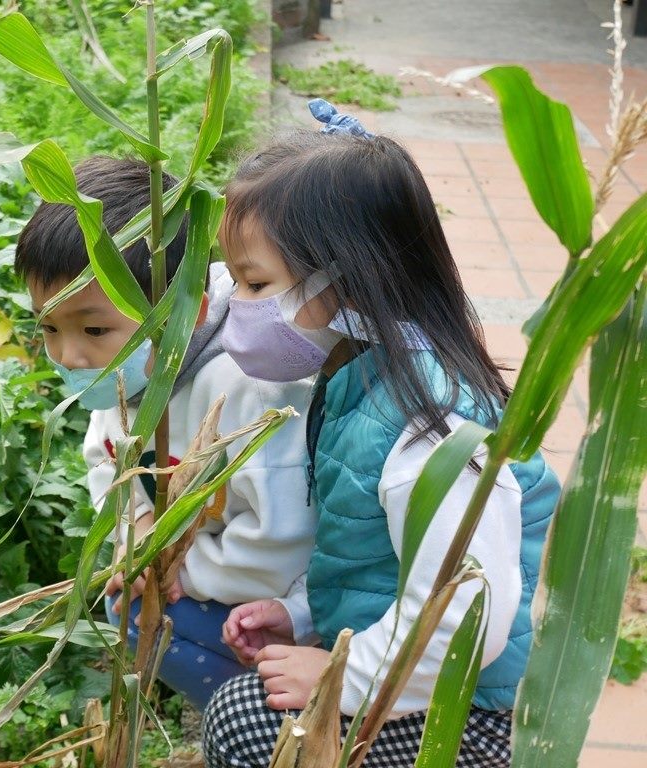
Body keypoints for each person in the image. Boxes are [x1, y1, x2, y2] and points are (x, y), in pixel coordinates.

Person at [201, 101, 560, 767]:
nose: (234, 307)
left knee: (246, 722)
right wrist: (302, 615)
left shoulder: (432, 428)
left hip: (469, 715)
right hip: (420, 679)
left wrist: (347, 678)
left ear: (350, 277)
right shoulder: (359, 381)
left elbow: (467, 611)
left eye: (256, 284)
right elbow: (372, 558)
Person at [14, 156, 316, 711]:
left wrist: (176, 568)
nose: (67, 355)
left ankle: (272, 722)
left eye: (93, 329)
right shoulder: (132, 368)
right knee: (127, 604)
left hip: (293, 597)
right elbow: (109, 461)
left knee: (146, 608)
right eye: (49, 327)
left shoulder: (248, 389)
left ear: (184, 317)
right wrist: (141, 532)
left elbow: (281, 543)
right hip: (205, 561)